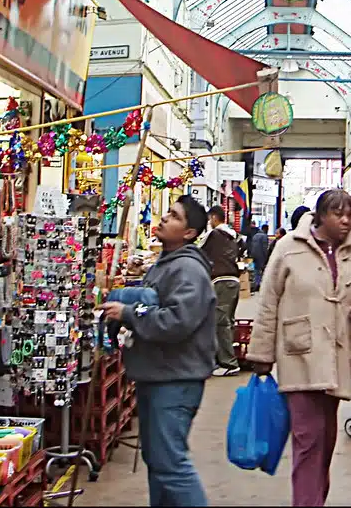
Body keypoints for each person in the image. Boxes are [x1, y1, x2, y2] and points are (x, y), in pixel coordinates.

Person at [247, 190, 351, 508]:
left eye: (350, 215)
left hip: (339, 359)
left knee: (325, 440)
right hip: (299, 355)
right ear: (321, 216)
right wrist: (261, 354)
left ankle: (314, 499)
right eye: (338, 214)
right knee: (308, 439)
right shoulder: (288, 249)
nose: (345, 220)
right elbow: (268, 302)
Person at [101, 195, 215, 507]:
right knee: (159, 462)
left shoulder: (189, 270)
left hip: (175, 380)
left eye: (174, 216)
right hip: (157, 375)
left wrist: (128, 313)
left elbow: (177, 322)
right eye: (168, 212)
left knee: (171, 464)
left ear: (189, 233)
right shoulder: (167, 265)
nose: (165, 218)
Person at [201, 205, 241, 377]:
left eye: (210, 219)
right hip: (233, 280)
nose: (209, 222)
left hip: (221, 281)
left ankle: (229, 363)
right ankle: (223, 359)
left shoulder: (214, 234)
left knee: (220, 323)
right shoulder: (233, 236)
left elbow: (198, 251)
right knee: (227, 322)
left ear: (214, 218)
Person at [248, 222, 270, 293]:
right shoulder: (264, 236)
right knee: (261, 271)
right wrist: (266, 257)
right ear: (266, 229)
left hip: (254, 255)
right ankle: (258, 285)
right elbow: (264, 248)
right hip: (261, 256)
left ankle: (255, 284)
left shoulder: (255, 235)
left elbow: (251, 245)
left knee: (256, 271)